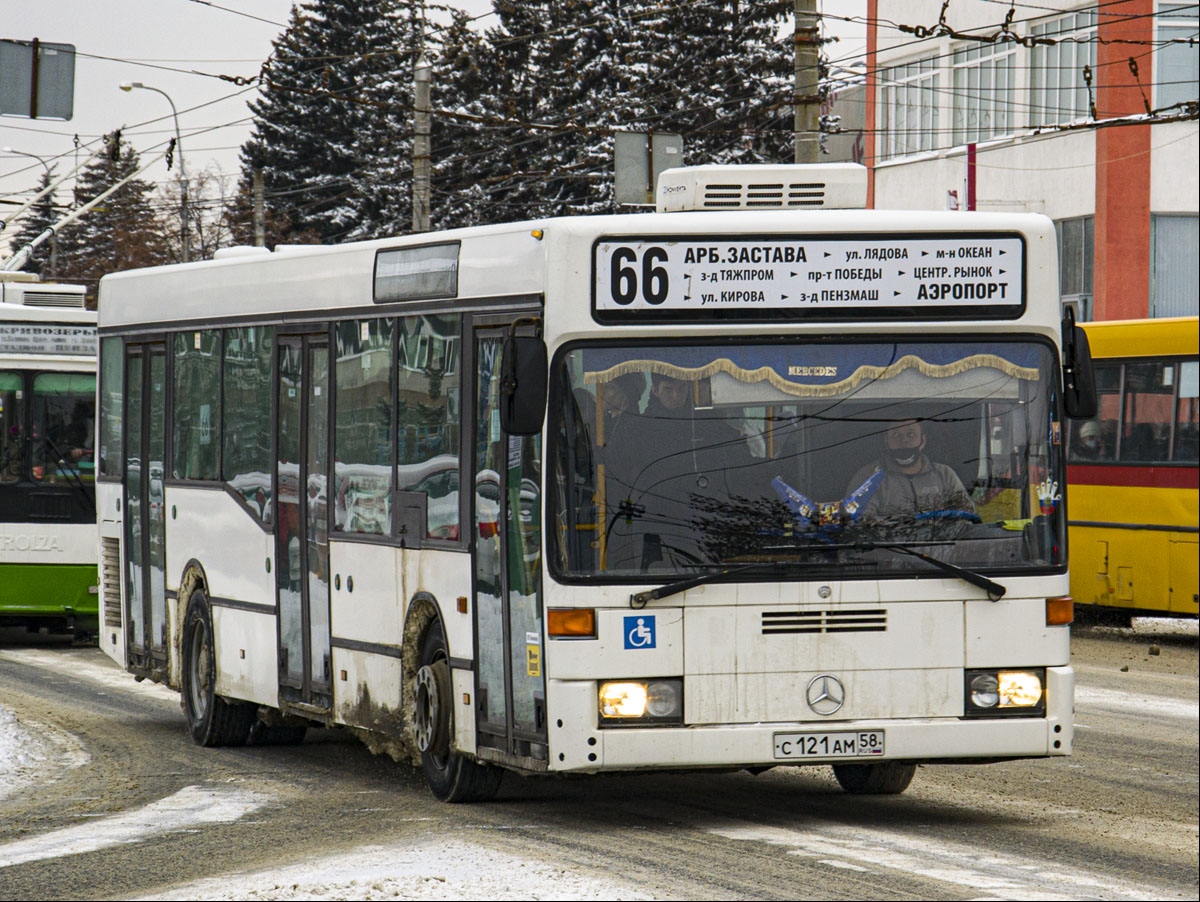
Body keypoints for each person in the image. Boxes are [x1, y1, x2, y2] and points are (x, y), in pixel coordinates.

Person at [845, 419, 974, 523]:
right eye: (896, 435)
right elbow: (860, 522)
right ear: (886, 441)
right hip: (888, 552)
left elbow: (966, 517)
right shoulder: (868, 477)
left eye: (911, 434)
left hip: (940, 552)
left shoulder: (945, 475)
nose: (904, 441)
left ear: (922, 441)